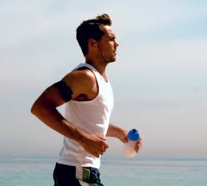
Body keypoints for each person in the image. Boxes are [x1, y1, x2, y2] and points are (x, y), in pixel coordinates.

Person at [30, 14, 142, 186]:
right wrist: (84, 139)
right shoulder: (84, 77)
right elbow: (40, 107)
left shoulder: (101, 79)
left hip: (81, 171)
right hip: (78, 170)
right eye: (111, 39)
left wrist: (122, 134)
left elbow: (90, 124)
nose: (117, 44)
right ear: (93, 44)